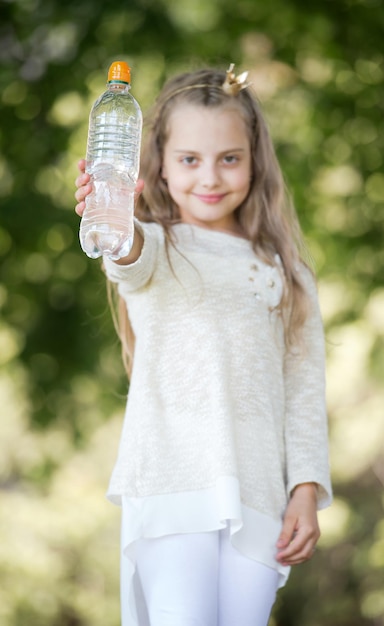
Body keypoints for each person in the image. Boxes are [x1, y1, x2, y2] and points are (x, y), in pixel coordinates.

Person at [74, 63, 332, 626]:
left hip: (259, 491)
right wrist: (112, 216)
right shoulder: (158, 248)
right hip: (172, 480)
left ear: (254, 161)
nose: (209, 177)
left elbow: (305, 390)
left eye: (229, 158)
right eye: (189, 160)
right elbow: (126, 255)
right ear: (160, 169)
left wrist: (306, 490)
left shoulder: (286, 273)